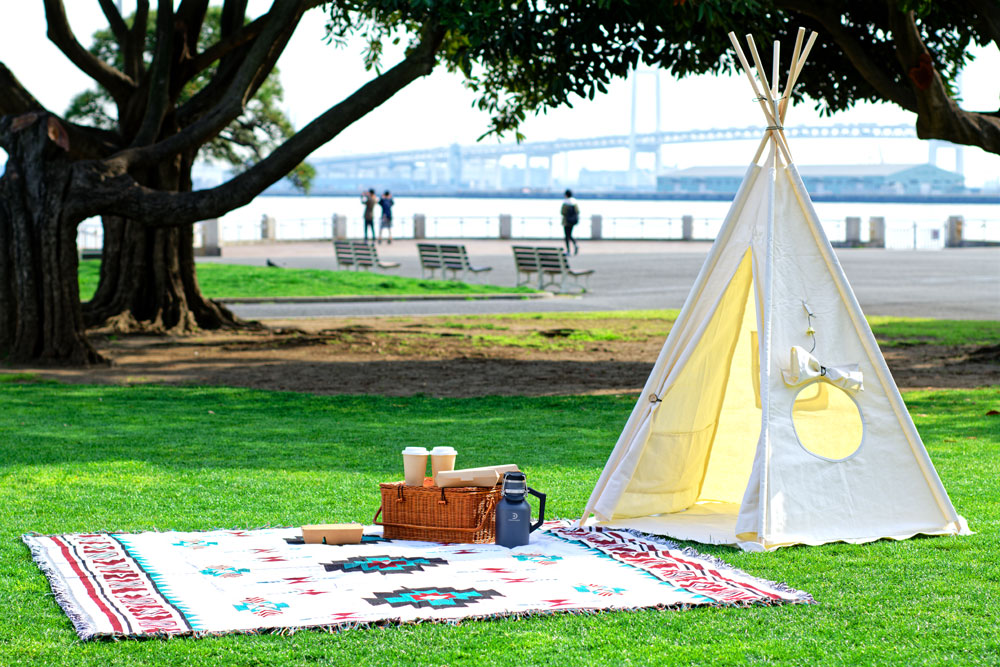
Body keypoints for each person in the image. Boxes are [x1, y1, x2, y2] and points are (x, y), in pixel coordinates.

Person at [560, 189, 580, 255]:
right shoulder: (574, 202)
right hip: (573, 221)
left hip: (566, 221)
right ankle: (575, 244)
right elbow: (577, 211)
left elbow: (562, 212)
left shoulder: (565, 202)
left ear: (566, 195)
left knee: (566, 236)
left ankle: (568, 250)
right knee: (570, 234)